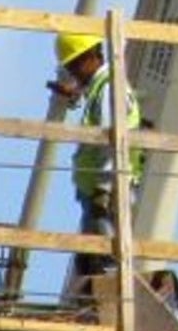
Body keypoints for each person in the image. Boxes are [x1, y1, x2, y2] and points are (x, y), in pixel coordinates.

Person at [52, 31, 142, 289]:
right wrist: (74, 93)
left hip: (107, 188)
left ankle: (120, 296)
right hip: (98, 189)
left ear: (92, 56)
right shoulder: (100, 86)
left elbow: (111, 142)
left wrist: (103, 188)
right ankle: (103, 299)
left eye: (75, 65)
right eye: (69, 67)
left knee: (107, 255)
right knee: (91, 256)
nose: (73, 72)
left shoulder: (109, 89)